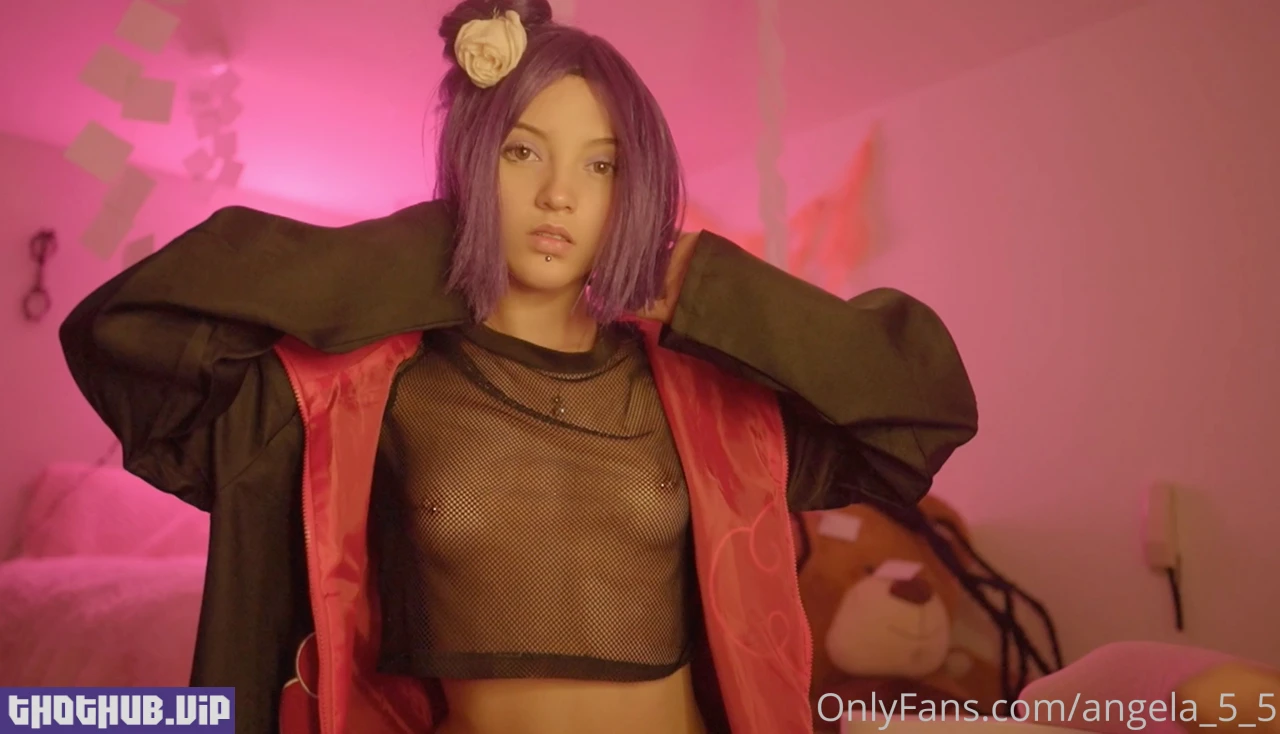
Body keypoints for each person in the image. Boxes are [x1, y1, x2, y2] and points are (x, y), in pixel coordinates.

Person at [58, 1, 979, 732]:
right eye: (523, 151)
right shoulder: (376, 389)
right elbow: (130, 331)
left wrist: (707, 285)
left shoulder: (702, 399)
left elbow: (920, 414)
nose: (559, 195)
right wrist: (440, 241)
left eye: (602, 167)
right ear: (475, 162)